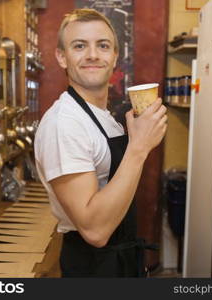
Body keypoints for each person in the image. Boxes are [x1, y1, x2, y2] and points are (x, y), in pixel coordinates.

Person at [34, 8, 167, 277]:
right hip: (92, 266)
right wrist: (139, 148)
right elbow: (94, 230)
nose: (93, 54)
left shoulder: (105, 116)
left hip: (119, 260)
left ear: (115, 57)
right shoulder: (64, 124)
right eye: (79, 46)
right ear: (62, 56)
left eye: (103, 46)